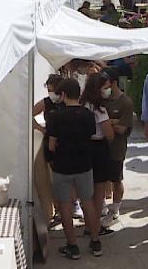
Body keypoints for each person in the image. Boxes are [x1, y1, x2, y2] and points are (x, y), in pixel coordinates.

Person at [48, 77, 104, 259]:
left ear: (63, 94)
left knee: (65, 204)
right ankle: (95, 241)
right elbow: (90, 136)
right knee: (88, 202)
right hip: (84, 164)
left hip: (62, 165)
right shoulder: (88, 115)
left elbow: (51, 145)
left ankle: (72, 245)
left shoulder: (55, 116)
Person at [81, 72, 117, 237]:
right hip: (98, 149)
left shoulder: (81, 105)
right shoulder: (99, 109)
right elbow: (109, 134)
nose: (108, 90)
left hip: (83, 148)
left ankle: (89, 224)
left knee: (86, 192)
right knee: (98, 193)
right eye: (105, 87)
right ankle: (94, 227)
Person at [101, 68, 134, 227]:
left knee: (116, 178)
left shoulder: (125, 102)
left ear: (113, 83)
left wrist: (106, 123)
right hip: (100, 146)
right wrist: (112, 122)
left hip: (117, 147)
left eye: (105, 84)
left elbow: (122, 128)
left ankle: (115, 209)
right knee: (101, 178)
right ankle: (102, 206)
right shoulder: (101, 100)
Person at [32, 74, 65, 222]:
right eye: (49, 90)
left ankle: (71, 205)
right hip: (50, 146)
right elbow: (28, 115)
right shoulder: (46, 103)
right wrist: (42, 129)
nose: (51, 94)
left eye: (53, 90)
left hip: (66, 145)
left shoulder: (67, 102)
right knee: (54, 179)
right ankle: (57, 208)